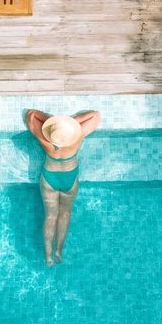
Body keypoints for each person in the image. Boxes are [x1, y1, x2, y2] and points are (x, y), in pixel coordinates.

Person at [24, 108, 101, 266]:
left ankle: (48, 256)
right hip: (69, 178)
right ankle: (58, 251)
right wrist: (73, 120)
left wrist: (50, 121)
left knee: (50, 216)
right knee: (65, 214)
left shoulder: (45, 140)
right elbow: (95, 115)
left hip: (49, 178)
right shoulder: (77, 138)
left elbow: (30, 115)